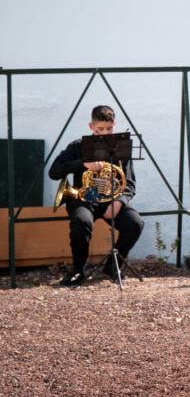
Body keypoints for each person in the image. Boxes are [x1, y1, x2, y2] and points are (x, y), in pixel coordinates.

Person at [48, 105, 144, 286]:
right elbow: (53, 172)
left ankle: (112, 267)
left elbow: (129, 183)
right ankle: (78, 270)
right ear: (91, 127)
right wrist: (82, 164)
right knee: (81, 223)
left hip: (112, 199)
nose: (105, 134)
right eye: (100, 129)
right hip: (85, 198)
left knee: (135, 223)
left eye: (109, 129)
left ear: (115, 125)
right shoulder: (78, 146)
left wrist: (120, 202)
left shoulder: (121, 148)